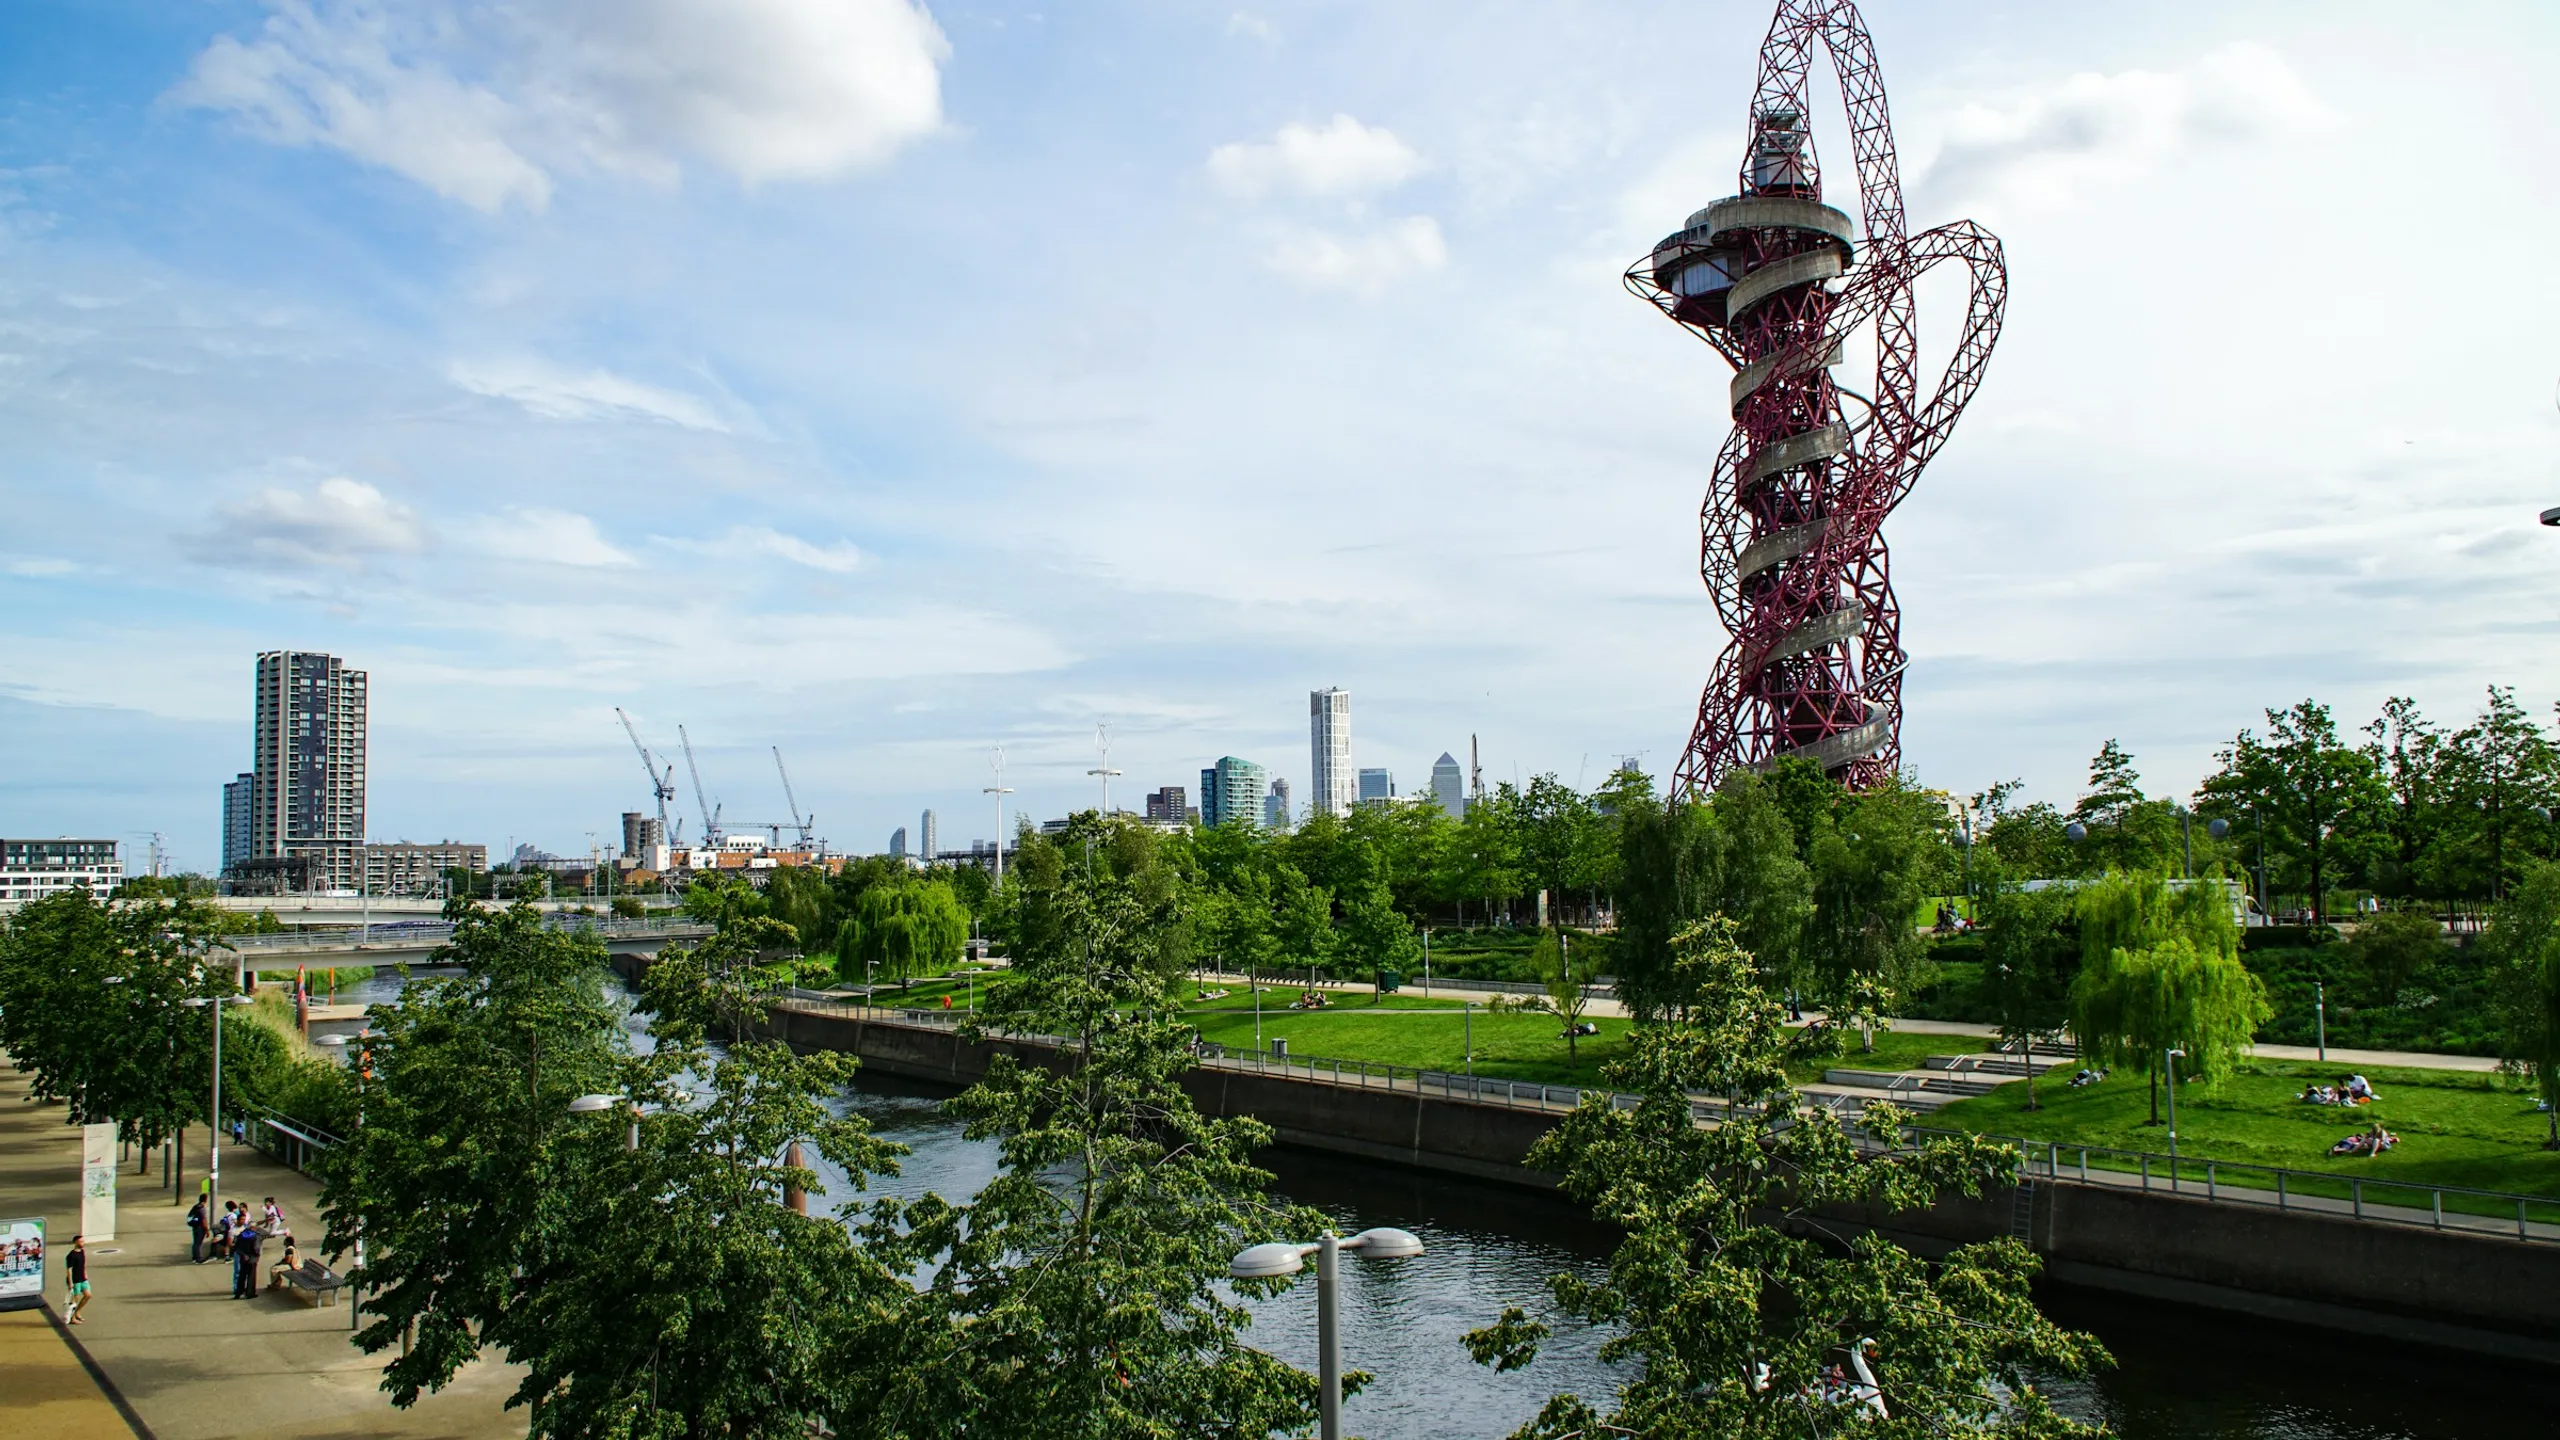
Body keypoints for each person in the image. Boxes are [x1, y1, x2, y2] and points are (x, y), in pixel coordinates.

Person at [231, 1216, 263, 1300]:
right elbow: (256, 1248)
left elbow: (236, 1247)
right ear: (253, 1227)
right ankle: (249, 1293)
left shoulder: (241, 1235)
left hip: (243, 1258)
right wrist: (257, 1254)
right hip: (252, 1259)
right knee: (251, 1276)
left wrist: (243, 1254)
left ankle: (238, 1292)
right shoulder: (255, 1236)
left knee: (242, 1276)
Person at [64, 1234, 91, 1325]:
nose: (83, 1243)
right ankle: (72, 1318)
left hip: (83, 1278)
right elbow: (69, 1270)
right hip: (75, 1280)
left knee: (88, 1295)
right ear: (76, 1242)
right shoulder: (71, 1255)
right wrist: (70, 1282)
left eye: (83, 1241)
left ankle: (77, 1312)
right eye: (81, 1241)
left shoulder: (82, 1251)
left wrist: (85, 1274)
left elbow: (83, 1265)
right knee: (74, 1300)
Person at [187, 1196, 209, 1264]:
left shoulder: (196, 1206)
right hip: (200, 1228)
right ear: (205, 1200)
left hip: (195, 1226)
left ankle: (194, 1257)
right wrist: (206, 1230)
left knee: (195, 1242)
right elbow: (203, 1220)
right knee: (199, 1243)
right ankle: (199, 1258)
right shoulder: (202, 1208)